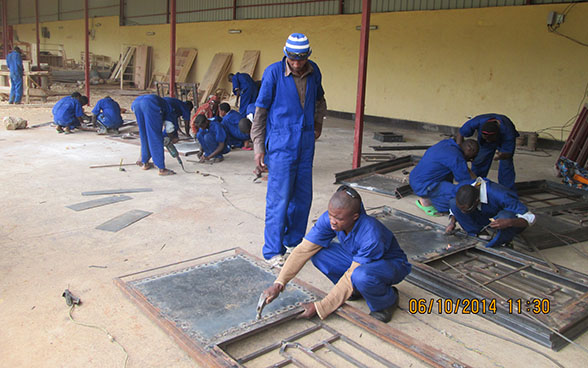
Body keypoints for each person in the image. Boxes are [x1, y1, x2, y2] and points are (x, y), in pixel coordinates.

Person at [262, 186, 411, 323]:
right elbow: (303, 250)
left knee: (360, 276)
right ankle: (356, 291)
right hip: (358, 259)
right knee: (319, 254)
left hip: (391, 265)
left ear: (355, 217)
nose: (332, 222)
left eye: (339, 218)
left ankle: (386, 302)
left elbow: (351, 274)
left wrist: (321, 307)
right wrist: (279, 283)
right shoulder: (330, 219)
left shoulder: (371, 234)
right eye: (331, 215)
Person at [252, 33, 327, 266]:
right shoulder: (273, 73)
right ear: (286, 55)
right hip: (281, 145)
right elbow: (261, 111)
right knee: (279, 198)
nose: (297, 64)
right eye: (293, 59)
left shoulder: (314, 71)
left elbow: (320, 101)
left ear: (308, 56)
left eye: (301, 59)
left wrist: (318, 124)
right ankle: (273, 251)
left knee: (303, 197)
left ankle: (294, 242)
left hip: (305, 143)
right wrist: (258, 146)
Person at [446, 177, 535, 247]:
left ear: (477, 201)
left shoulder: (501, 195)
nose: (463, 212)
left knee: (505, 215)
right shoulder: (460, 189)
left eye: (466, 210)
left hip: (503, 220)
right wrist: (452, 222)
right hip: (486, 216)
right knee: (453, 203)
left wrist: (509, 222)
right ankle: (477, 232)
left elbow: (531, 217)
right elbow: (456, 208)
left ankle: (502, 241)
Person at [409, 139, 479, 216]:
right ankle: (431, 203)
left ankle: (427, 197)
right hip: (423, 186)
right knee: (462, 196)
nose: (472, 160)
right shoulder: (457, 158)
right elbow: (465, 182)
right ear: (470, 151)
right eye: (472, 157)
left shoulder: (447, 143)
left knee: (448, 173)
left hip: (415, 178)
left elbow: (463, 169)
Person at [456, 114, 519, 190]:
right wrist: (458, 147)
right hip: (485, 144)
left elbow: (508, 153)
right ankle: (475, 186)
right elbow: (461, 132)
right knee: (479, 161)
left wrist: (501, 155)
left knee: (506, 164)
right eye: (485, 137)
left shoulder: (508, 132)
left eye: (490, 138)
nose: (487, 140)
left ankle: (507, 190)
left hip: (504, 140)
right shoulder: (477, 122)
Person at [131, 94, 178, 176]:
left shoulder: (164, 103)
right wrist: (172, 137)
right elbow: (170, 128)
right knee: (155, 136)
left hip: (136, 103)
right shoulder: (171, 111)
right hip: (150, 105)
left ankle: (145, 163)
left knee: (144, 134)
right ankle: (161, 168)